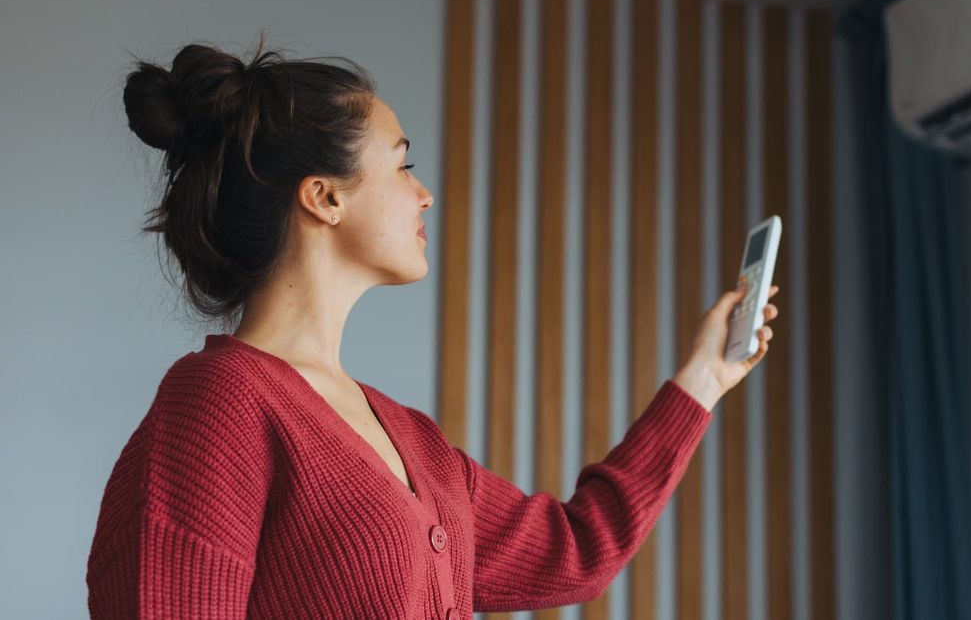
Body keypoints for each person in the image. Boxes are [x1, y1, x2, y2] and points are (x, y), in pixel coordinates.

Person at [86, 36, 780, 619]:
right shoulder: (218, 401)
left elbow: (575, 552)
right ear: (324, 197)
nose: (425, 192)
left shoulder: (413, 439)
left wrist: (704, 378)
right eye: (403, 163)